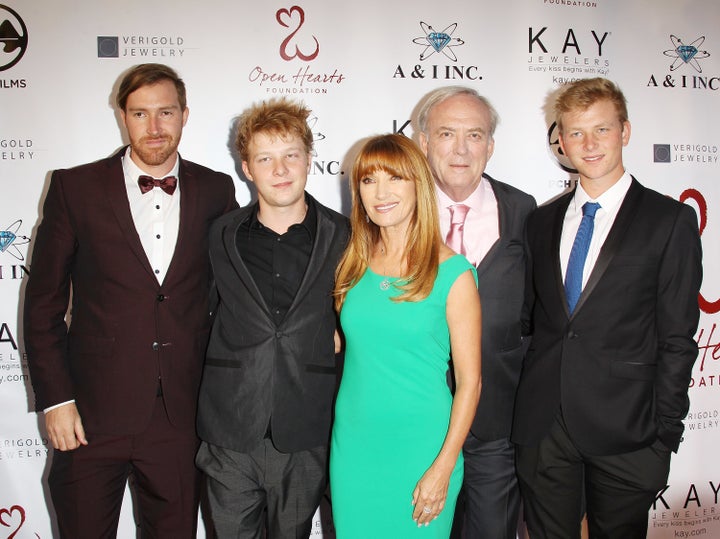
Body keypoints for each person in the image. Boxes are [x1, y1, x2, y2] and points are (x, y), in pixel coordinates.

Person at [23, 63, 238, 538]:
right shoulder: (74, 188)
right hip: (90, 415)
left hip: (181, 418)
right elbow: (43, 305)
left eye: (165, 112)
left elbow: (234, 292)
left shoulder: (216, 190)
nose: (154, 127)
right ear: (123, 117)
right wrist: (56, 399)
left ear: (184, 115)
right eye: (140, 114)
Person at [513, 77, 703, 538]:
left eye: (601, 129)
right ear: (560, 141)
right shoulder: (540, 221)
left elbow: (678, 336)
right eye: (575, 133)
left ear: (626, 131)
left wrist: (664, 434)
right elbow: (533, 321)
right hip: (545, 428)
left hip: (629, 430)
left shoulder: (669, 219)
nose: (588, 144)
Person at [195, 97, 349, 538]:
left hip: (307, 425)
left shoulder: (346, 235)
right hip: (230, 426)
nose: (280, 170)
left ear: (308, 159)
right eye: (266, 158)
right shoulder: (220, 234)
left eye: (290, 156)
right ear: (247, 167)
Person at [330, 133, 482, 538]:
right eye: (367, 180)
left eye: (394, 178)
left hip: (422, 448)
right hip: (354, 446)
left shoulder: (453, 273)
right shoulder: (352, 263)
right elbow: (354, 344)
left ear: (418, 183)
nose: (380, 192)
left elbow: (471, 383)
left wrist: (444, 466)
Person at [416, 86, 535, 539]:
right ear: (424, 142)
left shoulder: (523, 212)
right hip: (419, 417)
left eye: (475, 135)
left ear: (490, 145)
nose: (461, 149)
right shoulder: (397, 210)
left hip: (496, 423)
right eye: (447, 133)